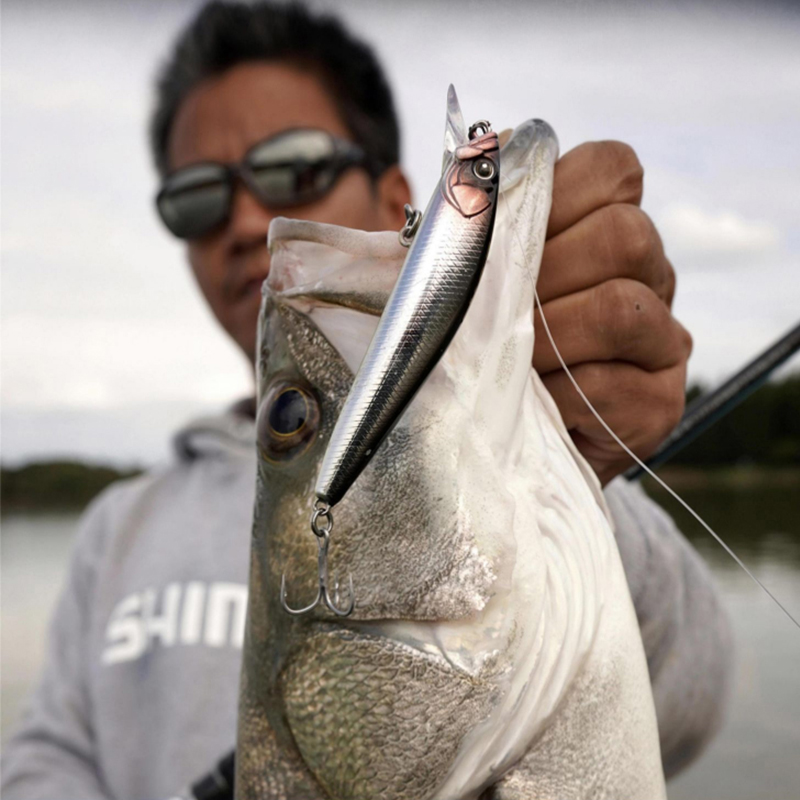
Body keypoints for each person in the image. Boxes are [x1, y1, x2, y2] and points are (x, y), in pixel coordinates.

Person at [1, 2, 732, 798]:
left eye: (291, 167)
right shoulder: (117, 528)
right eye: (196, 199)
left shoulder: (545, 498)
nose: (249, 222)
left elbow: (700, 693)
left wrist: (582, 476)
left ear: (397, 203)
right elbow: (47, 759)